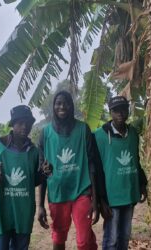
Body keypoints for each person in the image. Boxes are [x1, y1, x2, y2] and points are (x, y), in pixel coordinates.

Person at [37, 90, 99, 250]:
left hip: (82, 192)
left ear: (72, 106)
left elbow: (92, 165)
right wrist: (40, 206)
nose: (62, 106)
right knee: (58, 237)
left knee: (84, 241)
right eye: (58, 103)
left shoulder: (83, 129)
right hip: (57, 193)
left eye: (66, 103)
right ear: (53, 107)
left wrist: (96, 200)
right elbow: (42, 173)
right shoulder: (45, 133)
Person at [0, 105, 41, 250]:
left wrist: (45, 173)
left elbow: (33, 180)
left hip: (23, 213)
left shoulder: (34, 152)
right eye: (20, 123)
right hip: (1, 212)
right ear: (12, 124)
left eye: (28, 123)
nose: (25, 127)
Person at [94, 96, 148, 250]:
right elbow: (96, 169)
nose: (120, 113)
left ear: (128, 110)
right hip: (112, 197)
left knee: (124, 236)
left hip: (129, 193)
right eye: (115, 110)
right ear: (110, 112)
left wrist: (142, 183)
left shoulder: (133, 134)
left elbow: (136, 161)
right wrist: (101, 199)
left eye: (123, 109)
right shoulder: (99, 136)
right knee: (111, 240)